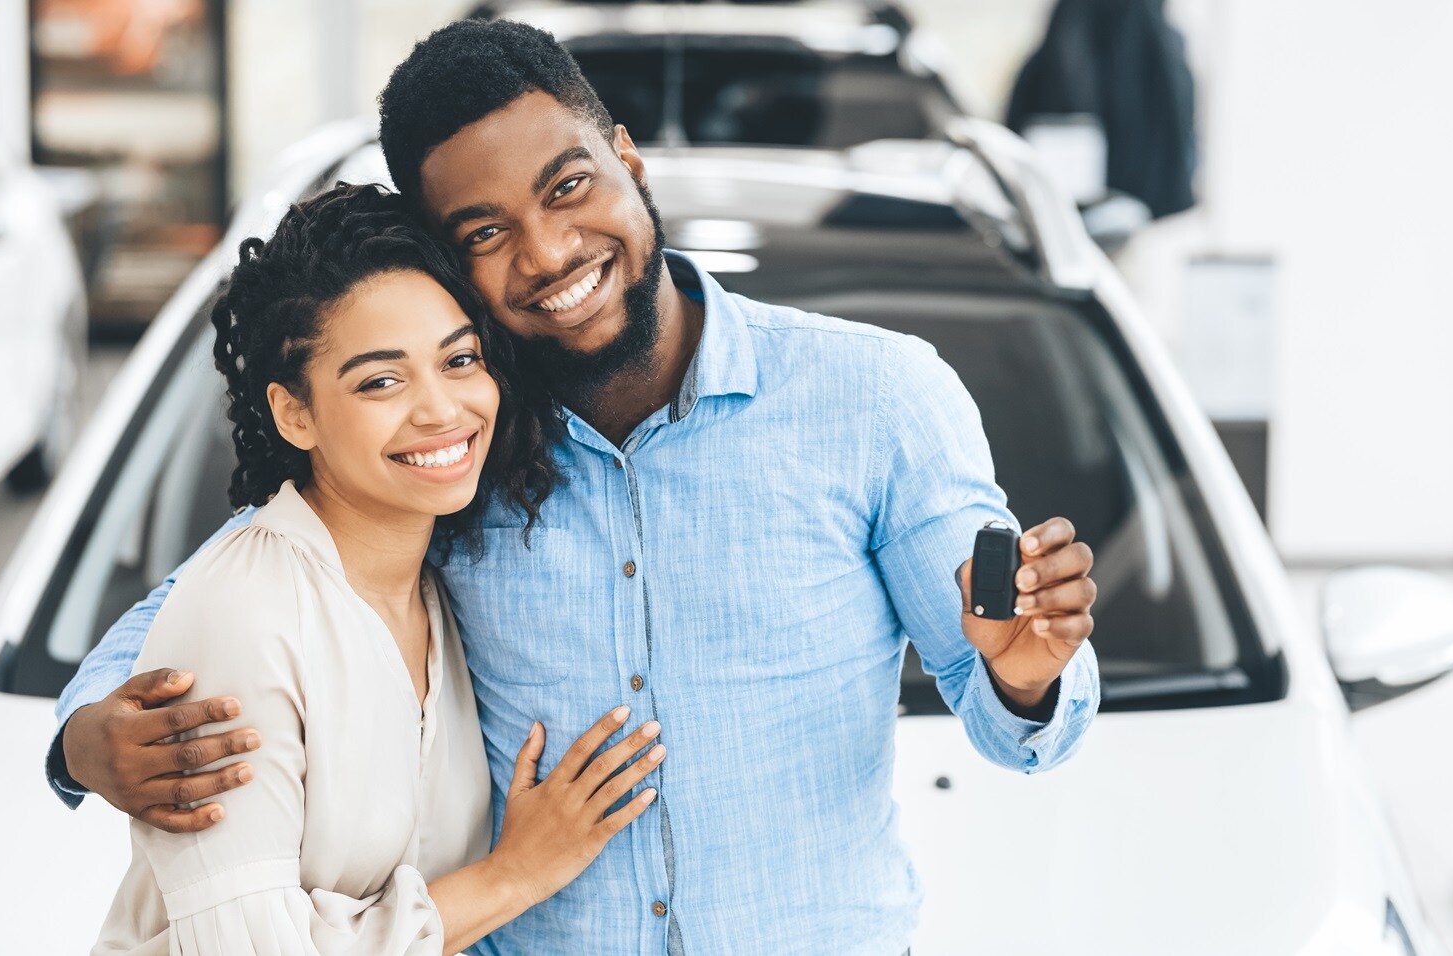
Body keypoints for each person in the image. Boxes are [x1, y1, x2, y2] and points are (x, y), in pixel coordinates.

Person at [53, 20, 1102, 954]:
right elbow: (223, 596)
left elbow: (1011, 711)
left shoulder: (876, 395)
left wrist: (1022, 676)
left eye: (567, 187)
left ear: (627, 161)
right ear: (450, 262)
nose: (548, 250)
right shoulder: (446, 447)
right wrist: (85, 734)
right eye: (484, 232)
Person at [91, 183, 664, 955]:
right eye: (381, 381)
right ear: (296, 413)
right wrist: (515, 874)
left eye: (460, 359)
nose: (441, 409)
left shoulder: (440, 590)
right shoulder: (247, 614)